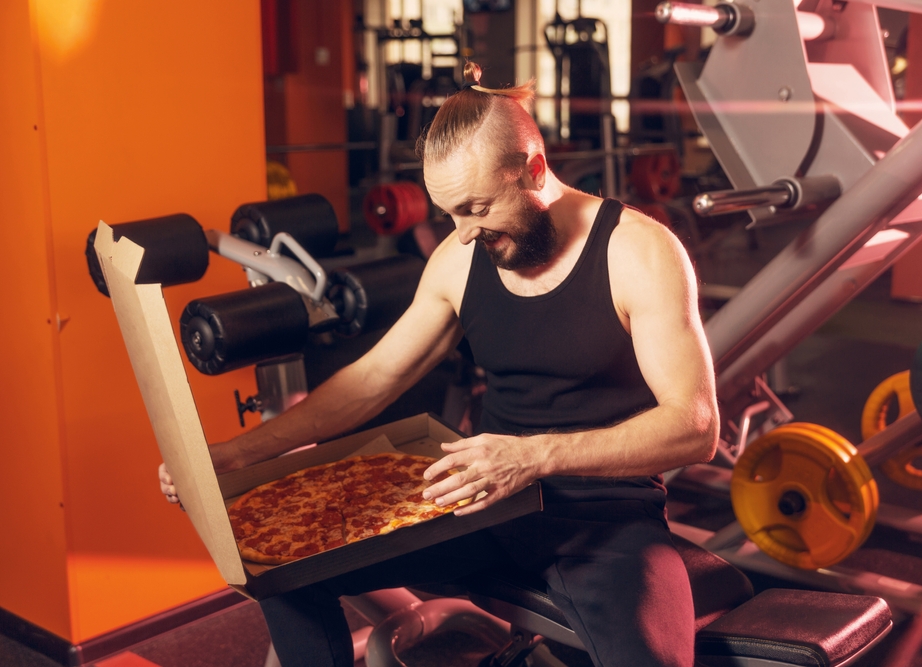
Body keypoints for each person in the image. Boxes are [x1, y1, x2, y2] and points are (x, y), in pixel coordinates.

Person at [159, 62, 718, 667]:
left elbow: (695, 426)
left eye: (476, 207)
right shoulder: (458, 259)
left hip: (602, 518)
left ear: (533, 168)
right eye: (449, 213)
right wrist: (244, 452)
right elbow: (373, 379)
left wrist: (531, 457)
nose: (463, 233)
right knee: (285, 570)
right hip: (479, 504)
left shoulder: (640, 253)